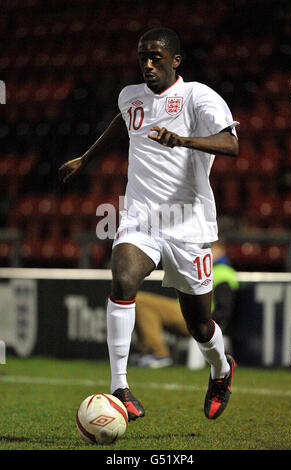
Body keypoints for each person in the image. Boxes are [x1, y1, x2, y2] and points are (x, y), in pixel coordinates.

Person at [59, 27, 239, 421]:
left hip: (188, 225)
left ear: (176, 60)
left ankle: (221, 370)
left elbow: (231, 144)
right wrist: (84, 160)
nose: (148, 64)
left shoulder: (198, 96)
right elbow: (121, 123)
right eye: (142, 57)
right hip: (141, 217)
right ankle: (119, 386)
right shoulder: (130, 96)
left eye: (156, 56)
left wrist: (184, 141)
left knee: (200, 325)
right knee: (122, 277)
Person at [131, 239, 239, 368]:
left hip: (198, 317)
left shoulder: (223, 272)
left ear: (222, 250)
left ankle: (158, 353)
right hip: (187, 312)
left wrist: (206, 329)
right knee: (139, 301)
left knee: (141, 301)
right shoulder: (205, 267)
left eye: (212, 247)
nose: (207, 250)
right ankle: (149, 351)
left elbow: (224, 309)